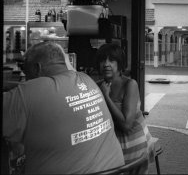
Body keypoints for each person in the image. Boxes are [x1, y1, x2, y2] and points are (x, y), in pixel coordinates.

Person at [2, 41, 124, 174]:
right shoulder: (87, 80)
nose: (26, 78)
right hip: (115, 169)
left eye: (26, 71)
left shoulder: (26, 94)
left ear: (37, 68)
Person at [96, 43, 155, 174]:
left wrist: (106, 96)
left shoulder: (130, 84)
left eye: (111, 60)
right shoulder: (97, 85)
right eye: (102, 60)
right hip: (112, 148)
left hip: (133, 147)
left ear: (119, 64)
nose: (106, 64)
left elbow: (126, 125)